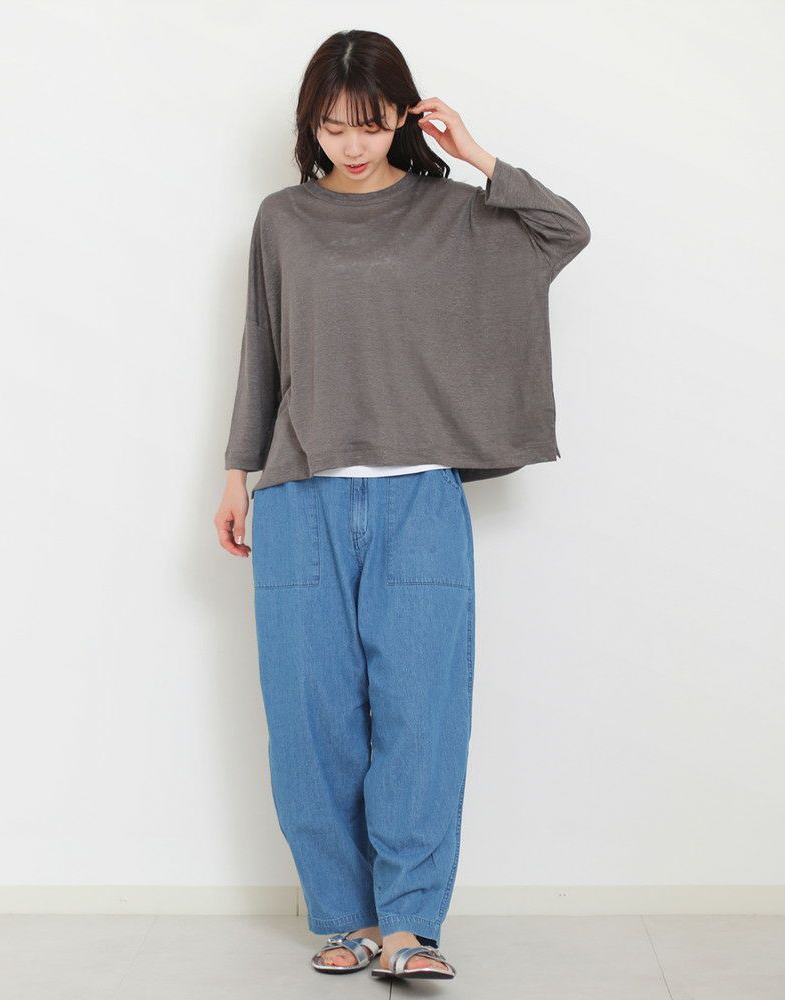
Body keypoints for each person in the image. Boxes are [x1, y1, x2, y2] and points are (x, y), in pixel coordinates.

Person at [214, 28, 590, 983]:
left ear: (404, 118)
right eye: (333, 126)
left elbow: (563, 233)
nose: (352, 144)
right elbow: (263, 345)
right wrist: (236, 472)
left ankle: (411, 925)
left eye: (373, 124)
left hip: (420, 498)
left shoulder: (452, 212)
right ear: (310, 124)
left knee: (421, 719)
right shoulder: (282, 219)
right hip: (298, 498)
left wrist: (477, 154)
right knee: (311, 723)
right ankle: (345, 919)